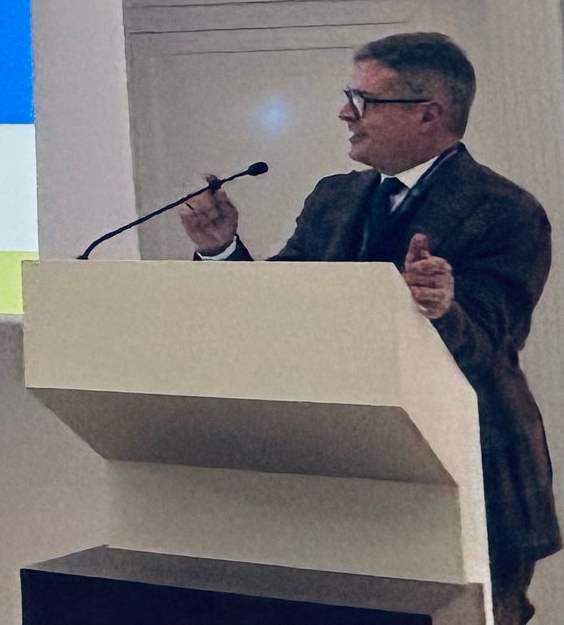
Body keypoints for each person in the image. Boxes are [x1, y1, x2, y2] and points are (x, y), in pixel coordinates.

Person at [179, 33, 558, 625]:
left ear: (428, 113)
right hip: (348, 475)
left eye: (362, 99)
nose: (344, 112)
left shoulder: (506, 209)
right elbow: (280, 308)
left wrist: (444, 306)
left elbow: (493, 341)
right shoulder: (334, 197)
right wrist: (222, 248)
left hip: (469, 473)